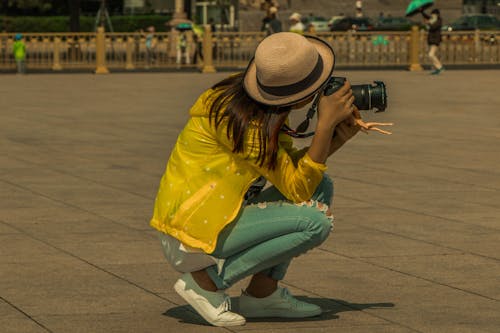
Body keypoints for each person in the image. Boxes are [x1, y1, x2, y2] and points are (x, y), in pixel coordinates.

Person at [149, 32, 389, 327]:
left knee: (321, 187)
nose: (320, 93)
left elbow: (294, 177)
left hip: (221, 214)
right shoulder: (243, 124)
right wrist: (325, 125)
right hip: (194, 229)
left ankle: (262, 296)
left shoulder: (261, 106)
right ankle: (205, 283)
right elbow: (297, 187)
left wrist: (336, 139)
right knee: (315, 222)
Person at [420, 8, 444, 75]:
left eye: (434, 14)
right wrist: (421, 11)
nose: (432, 15)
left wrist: (428, 23)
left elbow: (434, 27)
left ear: (437, 14)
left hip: (436, 40)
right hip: (431, 40)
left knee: (431, 54)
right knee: (431, 55)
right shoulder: (432, 19)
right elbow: (426, 16)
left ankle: (440, 67)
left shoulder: (439, 20)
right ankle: (437, 68)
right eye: (432, 14)